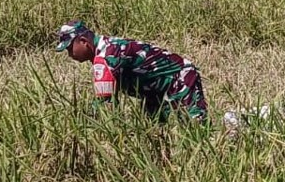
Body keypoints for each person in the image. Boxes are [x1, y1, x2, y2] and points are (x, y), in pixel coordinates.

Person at [55, 20, 207, 122]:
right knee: (154, 130)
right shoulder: (106, 48)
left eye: (70, 48)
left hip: (179, 78)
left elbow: (105, 104)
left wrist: (82, 120)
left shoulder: (106, 57)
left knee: (196, 126)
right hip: (154, 90)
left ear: (83, 42)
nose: (70, 54)